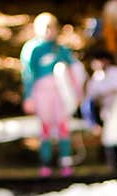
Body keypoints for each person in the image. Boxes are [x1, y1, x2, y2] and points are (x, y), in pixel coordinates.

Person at [20, 13, 86, 177]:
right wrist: (28, 97)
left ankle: (65, 162)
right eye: (45, 28)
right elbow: (28, 74)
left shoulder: (61, 49)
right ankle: (46, 163)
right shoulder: (32, 49)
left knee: (63, 125)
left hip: (60, 92)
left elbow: (72, 72)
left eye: (51, 27)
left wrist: (78, 94)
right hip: (42, 92)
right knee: (46, 127)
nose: (49, 31)